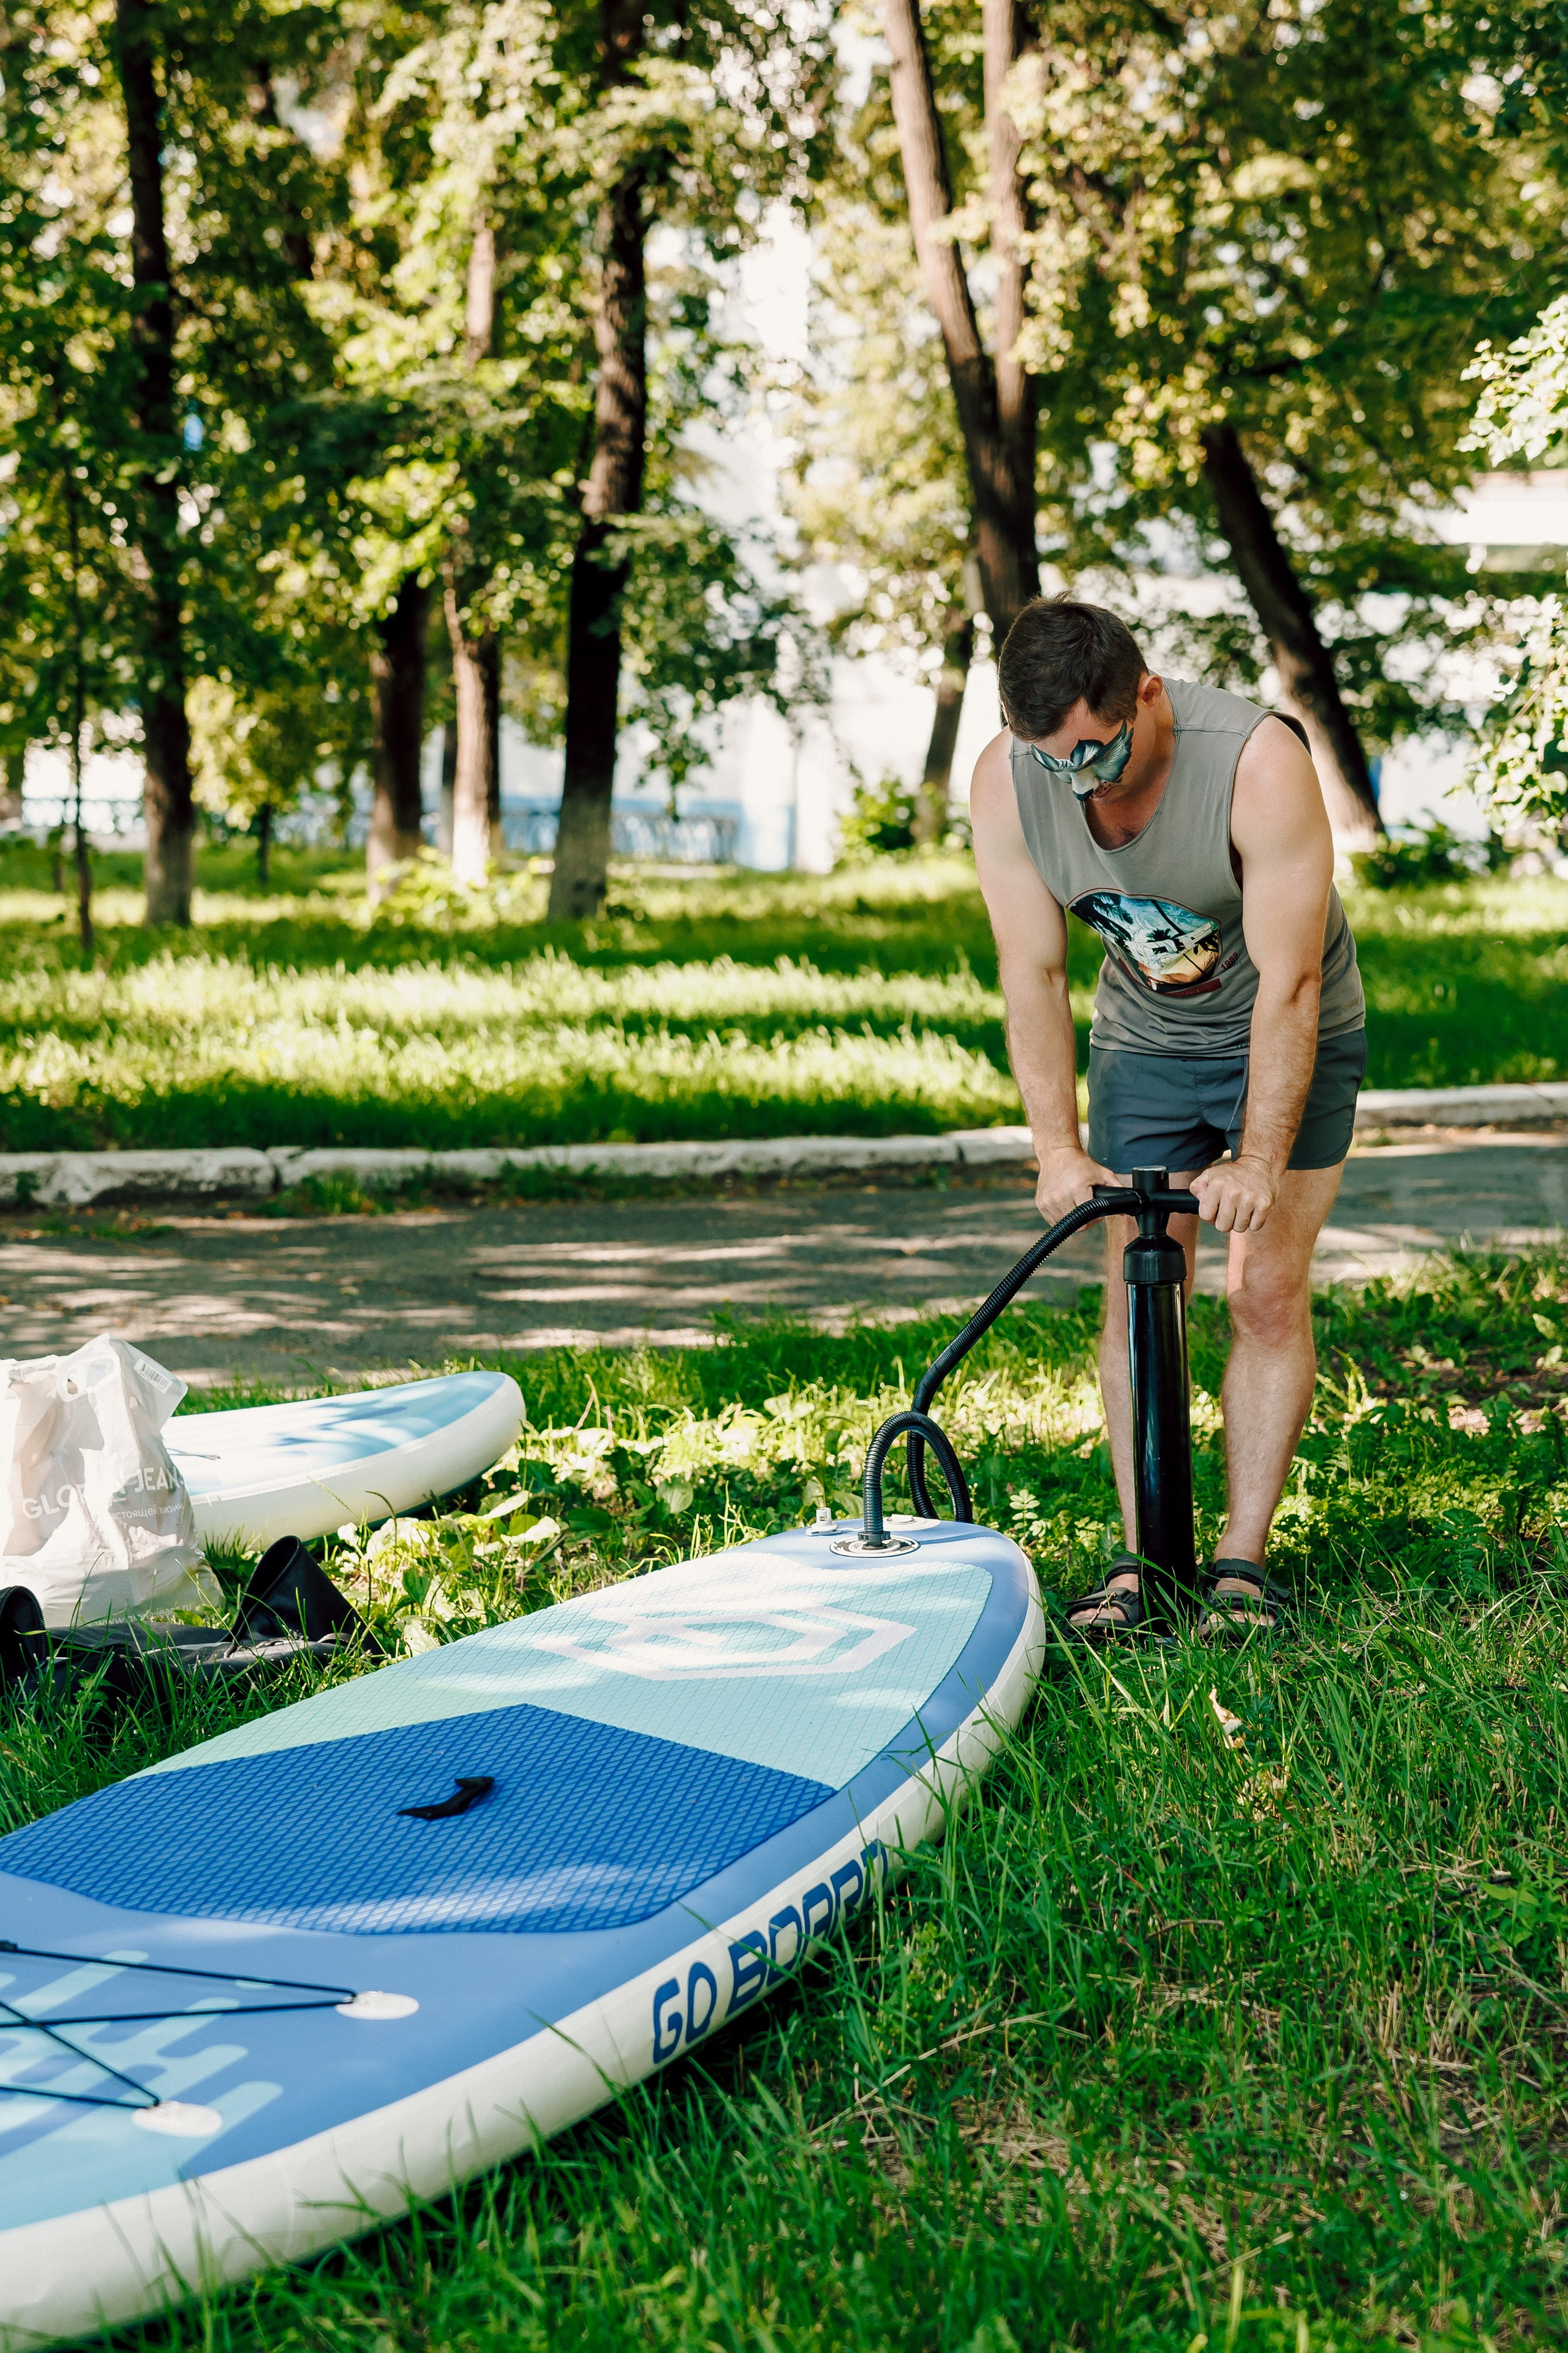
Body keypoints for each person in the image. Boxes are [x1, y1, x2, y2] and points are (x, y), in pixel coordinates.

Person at [968, 597, 1366, 1642]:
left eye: (1096, 752)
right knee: (1142, 1295)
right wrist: (1057, 1146)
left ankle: (1240, 1562)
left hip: (1282, 1033)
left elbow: (1290, 982)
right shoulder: (1012, 783)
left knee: (1266, 1291)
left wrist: (1258, 1156)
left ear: (1147, 694)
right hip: (1144, 1041)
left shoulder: (1256, 762)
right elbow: (1033, 968)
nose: (1080, 783)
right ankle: (1149, 1559)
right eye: (1052, 760)